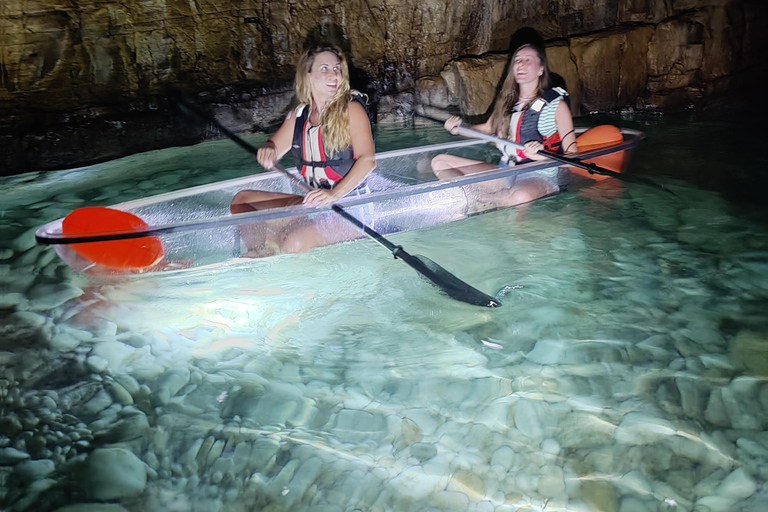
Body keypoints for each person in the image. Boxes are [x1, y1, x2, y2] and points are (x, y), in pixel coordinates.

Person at [230, 44, 375, 255]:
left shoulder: (352, 109)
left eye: (337, 68)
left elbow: (368, 160)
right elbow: (274, 149)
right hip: (316, 202)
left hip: (350, 208)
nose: (334, 74)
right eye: (324, 69)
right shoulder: (299, 115)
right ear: (308, 76)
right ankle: (257, 252)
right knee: (242, 201)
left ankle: (285, 240)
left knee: (293, 243)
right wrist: (268, 149)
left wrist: (334, 194)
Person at [431, 33, 577, 208]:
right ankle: (473, 198)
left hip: (538, 175)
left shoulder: (557, 106)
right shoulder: (507, 102)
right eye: (517, 60)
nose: (521, 64)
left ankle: (477, 199)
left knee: (519, 196)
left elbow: (573, 155)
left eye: (528, 60)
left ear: (541, 69)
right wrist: (460, 129)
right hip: (505, 170)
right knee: (440, 162)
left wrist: (541, 156)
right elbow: (486, 129)